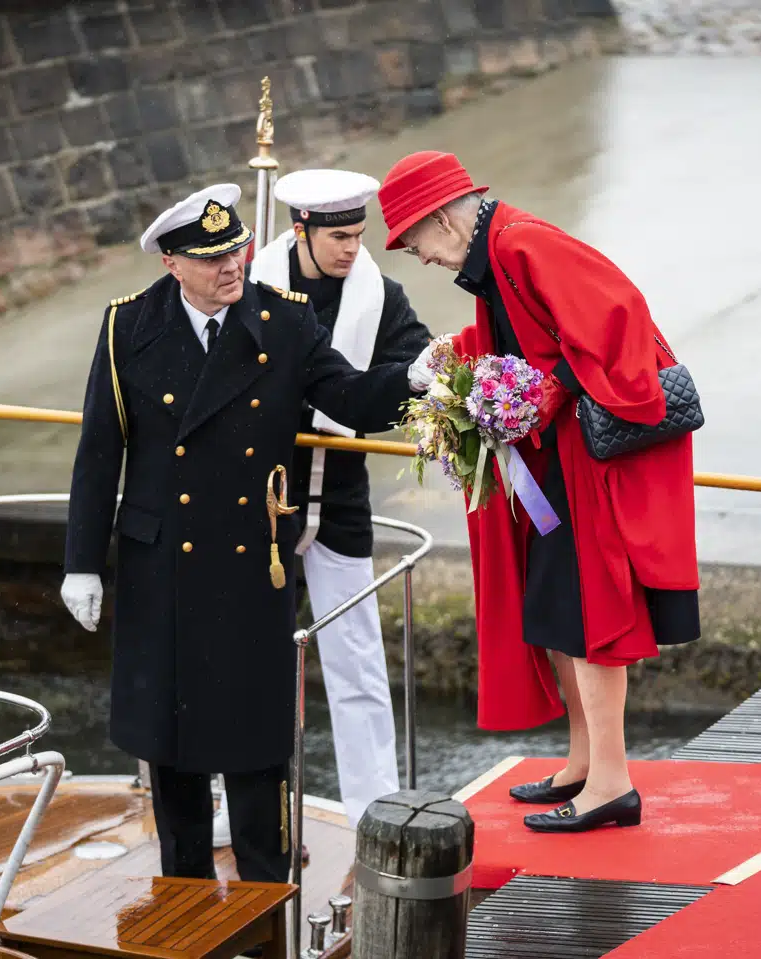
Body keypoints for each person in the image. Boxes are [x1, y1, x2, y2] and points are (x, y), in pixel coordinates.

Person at [59, 183, 414, 889]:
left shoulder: (283, 323)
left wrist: (416, 380)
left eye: (238, 250)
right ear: (172, 263)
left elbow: (347, 397)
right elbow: (101, 451)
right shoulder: (126, 328)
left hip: (253, 564)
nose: (233, 266)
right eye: (213, 256)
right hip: (160, 564)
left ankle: (265, 905)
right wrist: (81, 565)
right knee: (172, 745)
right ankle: (182, 898)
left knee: (254, 743)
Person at [377, 152, 700, 833]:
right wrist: (458, 354)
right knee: (558, 607)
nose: (421, 258)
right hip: (562, 459)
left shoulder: (522, 243)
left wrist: (548, 389)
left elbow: (619, 319)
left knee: (589, 613)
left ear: (441, 219)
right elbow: (538, 337)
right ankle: (584, 760)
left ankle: (612, 782)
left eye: (416, 242)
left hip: (589, 461)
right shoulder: (497, 253)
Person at [248, 168, 431, 829]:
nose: (352, 249)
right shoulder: (249, 287)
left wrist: (431, 376)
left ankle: (373, 810)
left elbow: (415, 365)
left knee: (355, 656)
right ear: (301, 230)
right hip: (259, 494)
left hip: (340, 492)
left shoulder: (381, 296)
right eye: (338, 238)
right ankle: (249, 803)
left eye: (358, 235)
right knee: (250, 655)